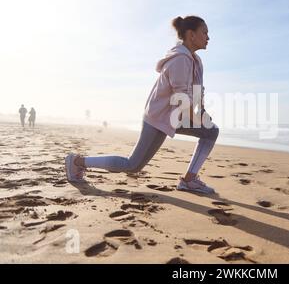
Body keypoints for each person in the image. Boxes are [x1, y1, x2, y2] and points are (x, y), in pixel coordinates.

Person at [65, 15, 219, 194]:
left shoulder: (196, 61)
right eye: (205, 32)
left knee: (211, 131)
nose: (208, 37)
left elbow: (198, 91)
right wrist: (198, 118)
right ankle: (76, 161)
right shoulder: (180, 60)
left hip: (176, 116)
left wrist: (202, 111)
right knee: (133, 165)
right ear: (191, 35)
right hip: (159, 117)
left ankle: (189, 180)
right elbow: (182, 99)